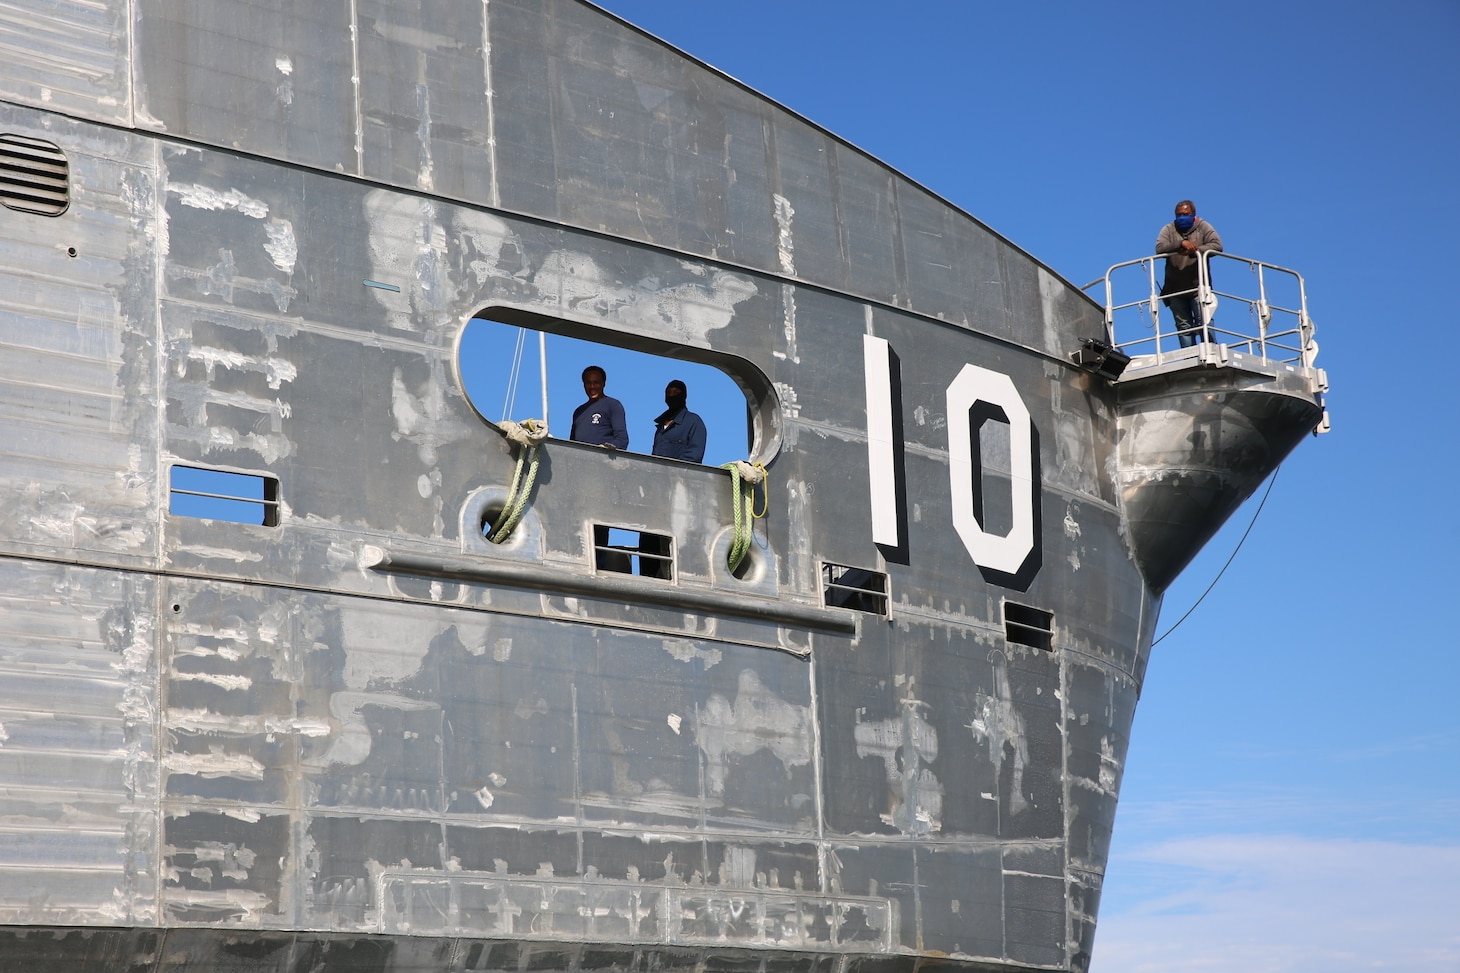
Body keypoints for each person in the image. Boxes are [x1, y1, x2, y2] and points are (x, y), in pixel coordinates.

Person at [1155, 200, 1223, 347]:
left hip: (1198, 287)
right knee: (1183, 327)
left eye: (1185, 214)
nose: (1182, 217)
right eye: (1179, 215)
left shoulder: (1203, 226)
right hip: (1174, 288)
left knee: (1205, 321)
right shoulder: (1169, 229)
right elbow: (1160, 247)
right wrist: (1180, 244)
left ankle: (1211, 350)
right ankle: (1189, 356)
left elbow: (1217, 245)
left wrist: (1196, 250)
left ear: (1193, 214)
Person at [569, 365, 629, 450]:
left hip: (604, 461)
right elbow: (572, 445)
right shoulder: (578, 412)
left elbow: (622, 439)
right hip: (580, 460)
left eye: (596, 382)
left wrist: (604, 450)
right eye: (588, 383)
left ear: (603, 384)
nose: (592, 387)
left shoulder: (612, 405)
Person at [650, 380, 707, 463]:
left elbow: (694, 455)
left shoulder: (693, 422)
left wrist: (673, 470)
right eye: (668, 392)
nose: (671, 395)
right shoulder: (661, 426)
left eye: (676, 392)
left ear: (684, 395)